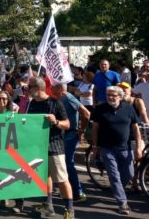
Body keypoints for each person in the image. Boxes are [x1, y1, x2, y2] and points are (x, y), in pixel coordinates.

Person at [25, 77, 75, 219]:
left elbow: (67, 124)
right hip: (37, 147)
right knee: (44, 176)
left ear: (38, 88)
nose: (27, 90)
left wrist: (56, 121)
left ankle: (69, 209)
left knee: (61, 178)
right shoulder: (31, 104)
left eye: (30, 87)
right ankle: (48, 205)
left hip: (54, 146)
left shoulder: (55, 103)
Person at [91, 86, 143, 215]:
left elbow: (136, 129)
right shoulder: (100, 109)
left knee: (130, 174)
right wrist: (95, 146)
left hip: (125, 148)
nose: (110, 97)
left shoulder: (129, 109)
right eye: (108, 94)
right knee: (114, 176)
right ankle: (122, 203)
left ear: (120, 96)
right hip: (107, 148)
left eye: (113, 95)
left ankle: (117, 189)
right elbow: (95, 128)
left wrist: (138, 147)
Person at [51, 83, 91, 203]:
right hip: (63, 135)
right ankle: (68, 190)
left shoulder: (68, 97)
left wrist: (81, 130)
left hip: (71, 135)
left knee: (68, 163)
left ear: (59, 88)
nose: (50, 88)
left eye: (52, 86)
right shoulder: (59, 98)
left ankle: (78, 192)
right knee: (62, 163)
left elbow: (86, 113)